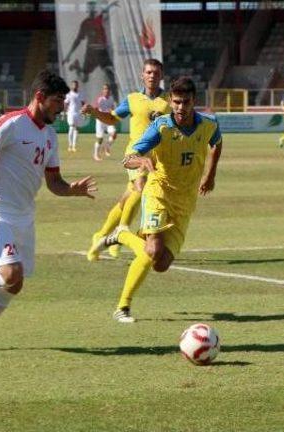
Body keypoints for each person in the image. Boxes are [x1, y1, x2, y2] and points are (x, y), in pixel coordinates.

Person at [0, 70, 96, 354]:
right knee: (11, 273)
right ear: (40, 97)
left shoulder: (49, 135)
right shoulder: (11, 123)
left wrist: (72, 189)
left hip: (24, 217)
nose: (61, 108)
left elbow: (54, 183)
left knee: (15, 283)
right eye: (57, 101)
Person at [92, 77, 222, 323]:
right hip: (158, 194)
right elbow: (128, 157)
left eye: (185, 102)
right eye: (176, 102)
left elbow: (217, 142)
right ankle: (123, 306)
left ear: (194, 101)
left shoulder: (209, 124)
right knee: (152, 250)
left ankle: (121, 235)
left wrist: (211, 174)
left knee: (161, 264)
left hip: (185, 202)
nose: (180, 108)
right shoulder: (160, 127)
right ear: (170, 101)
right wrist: (141, 161)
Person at [82, 58, 170, 259]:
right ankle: (121, 232)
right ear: (142, 75)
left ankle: (102, 234)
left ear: (161, 76)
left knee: (127, 197)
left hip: (158, 157)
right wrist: (95, 112)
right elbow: (112, 118)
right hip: (136, 155)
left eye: (156, 73)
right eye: (148, 72)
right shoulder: (132, 99)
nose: (152, 76)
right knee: (141, 186)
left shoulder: (169, 100)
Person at [93, 83, 117, 161]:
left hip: (108, 120)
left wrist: (112, 112)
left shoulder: (111, 99)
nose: (106, 90)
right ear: (102, 91)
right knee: (100, 139)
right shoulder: (100, 99)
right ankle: (96, 155)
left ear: (109, 91)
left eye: (107, 89)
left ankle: (107, 146)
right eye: (104, 89)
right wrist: (98, 114)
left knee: (114, 134)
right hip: (100, 121)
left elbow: (112, 109)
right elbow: (95, 108)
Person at [64, 80, 86, 152]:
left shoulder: (80, 94)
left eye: (76, 85)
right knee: (71, 127)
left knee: (77, 129)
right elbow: (66, 104)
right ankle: (69, 145)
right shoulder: (69, 94)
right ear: (71, 86)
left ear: (78, 86)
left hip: (78, 113)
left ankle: (74, 146)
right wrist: (64, 112)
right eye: (73, 85)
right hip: (71, 113)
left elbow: (83, 104)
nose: (75, 86)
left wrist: (84, 112)